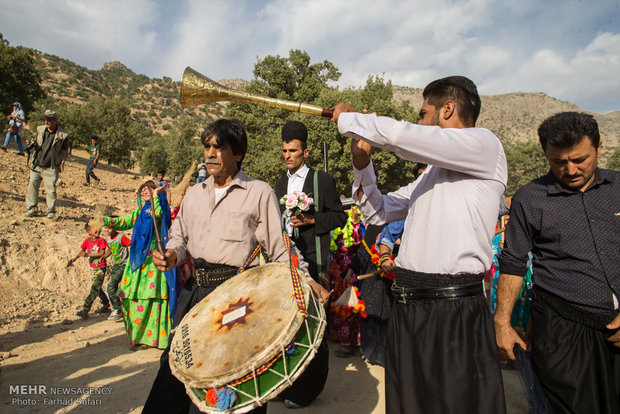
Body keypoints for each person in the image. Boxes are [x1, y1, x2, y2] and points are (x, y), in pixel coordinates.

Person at [331, 75, 508, 413]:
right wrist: (362, 163)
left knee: (455, 403)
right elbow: (378, 211)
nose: (419, 121)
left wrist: (353, 121)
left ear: (448, 109)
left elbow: (402, 136)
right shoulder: (429, 176)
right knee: (410, 403)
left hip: (453, 310)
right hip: (410, 308)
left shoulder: (486, 146)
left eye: (423, 113)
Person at [142, 118, 329, 414]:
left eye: (219, 147)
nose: (210, 154)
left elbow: (281, 249)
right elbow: (179, 239)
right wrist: (171, 256)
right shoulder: (194, 194)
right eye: (207, 146)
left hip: (237, 300)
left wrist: (307, 279)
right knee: (176, 371)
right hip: (195, 296)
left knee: (233, 381)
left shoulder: (259, 192)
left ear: (238, 153)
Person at [495, 112, 620, 414]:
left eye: (580, 159)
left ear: (599, 148)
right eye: (559, 162)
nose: (571, 170)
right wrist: (502, 321)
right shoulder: (530, 198)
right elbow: (512, 262)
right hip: (563, 332)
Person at [274, 120, 347, 409]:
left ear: (306, 151)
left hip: (316, 263)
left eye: (292, 150)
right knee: (288, 326)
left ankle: (309, 390)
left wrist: (312, 219)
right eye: (284, 151)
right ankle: (287, 382)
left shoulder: (322, 181)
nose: (287, 156)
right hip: (288, 264)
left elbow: (339, 217)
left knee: (314, 326)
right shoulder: (278, 184)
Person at [102, 181, 176, 350]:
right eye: (144, 190)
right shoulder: (139, 212)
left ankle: (155, 339)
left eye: (149, 189)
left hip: (153, 263)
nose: (145, 192)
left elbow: (156, 214)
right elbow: (123, 222)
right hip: (137, 261)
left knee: (153, 300)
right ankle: (138, 337)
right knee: (131, 298)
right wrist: (103, 220)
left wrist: (157, 196)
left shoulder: (160, 208)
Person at [24, 109, 70, 219]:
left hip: (51, 166)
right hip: (37, 164)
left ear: (55, 120)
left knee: (50, 190)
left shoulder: (62, 135)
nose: (46, 121)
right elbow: (37, 140)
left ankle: (51, 211)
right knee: (32, 187)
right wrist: (31, 142)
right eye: (45, 119)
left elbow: (65, 150)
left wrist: (62, 162)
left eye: (49, 119)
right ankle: (32, 208)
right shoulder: (40, 129)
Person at [68, 222, 110, 319]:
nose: (98, 230)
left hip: (100, 267)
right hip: (93, 268)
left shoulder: (101, 241)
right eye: (94, 228)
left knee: (94, 289)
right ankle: (106, 304)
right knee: (97, 288)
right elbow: (81, 252)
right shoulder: (87, 241)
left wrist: (87, 255)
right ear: (88, 232)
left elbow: (102, 252)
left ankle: (85, 309)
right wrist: (74, 259)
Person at [102, 222, 131, 321]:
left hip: (123, 265)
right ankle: (123, 308)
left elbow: (131, 244)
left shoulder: (121, 237)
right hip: (116, 265)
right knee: (119, 288)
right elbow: (110, 250)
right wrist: (103, 257)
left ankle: (117, 309)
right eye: (106, 228)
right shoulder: (108, 239)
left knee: (111, 287)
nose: (107, 230)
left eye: (109, 228)